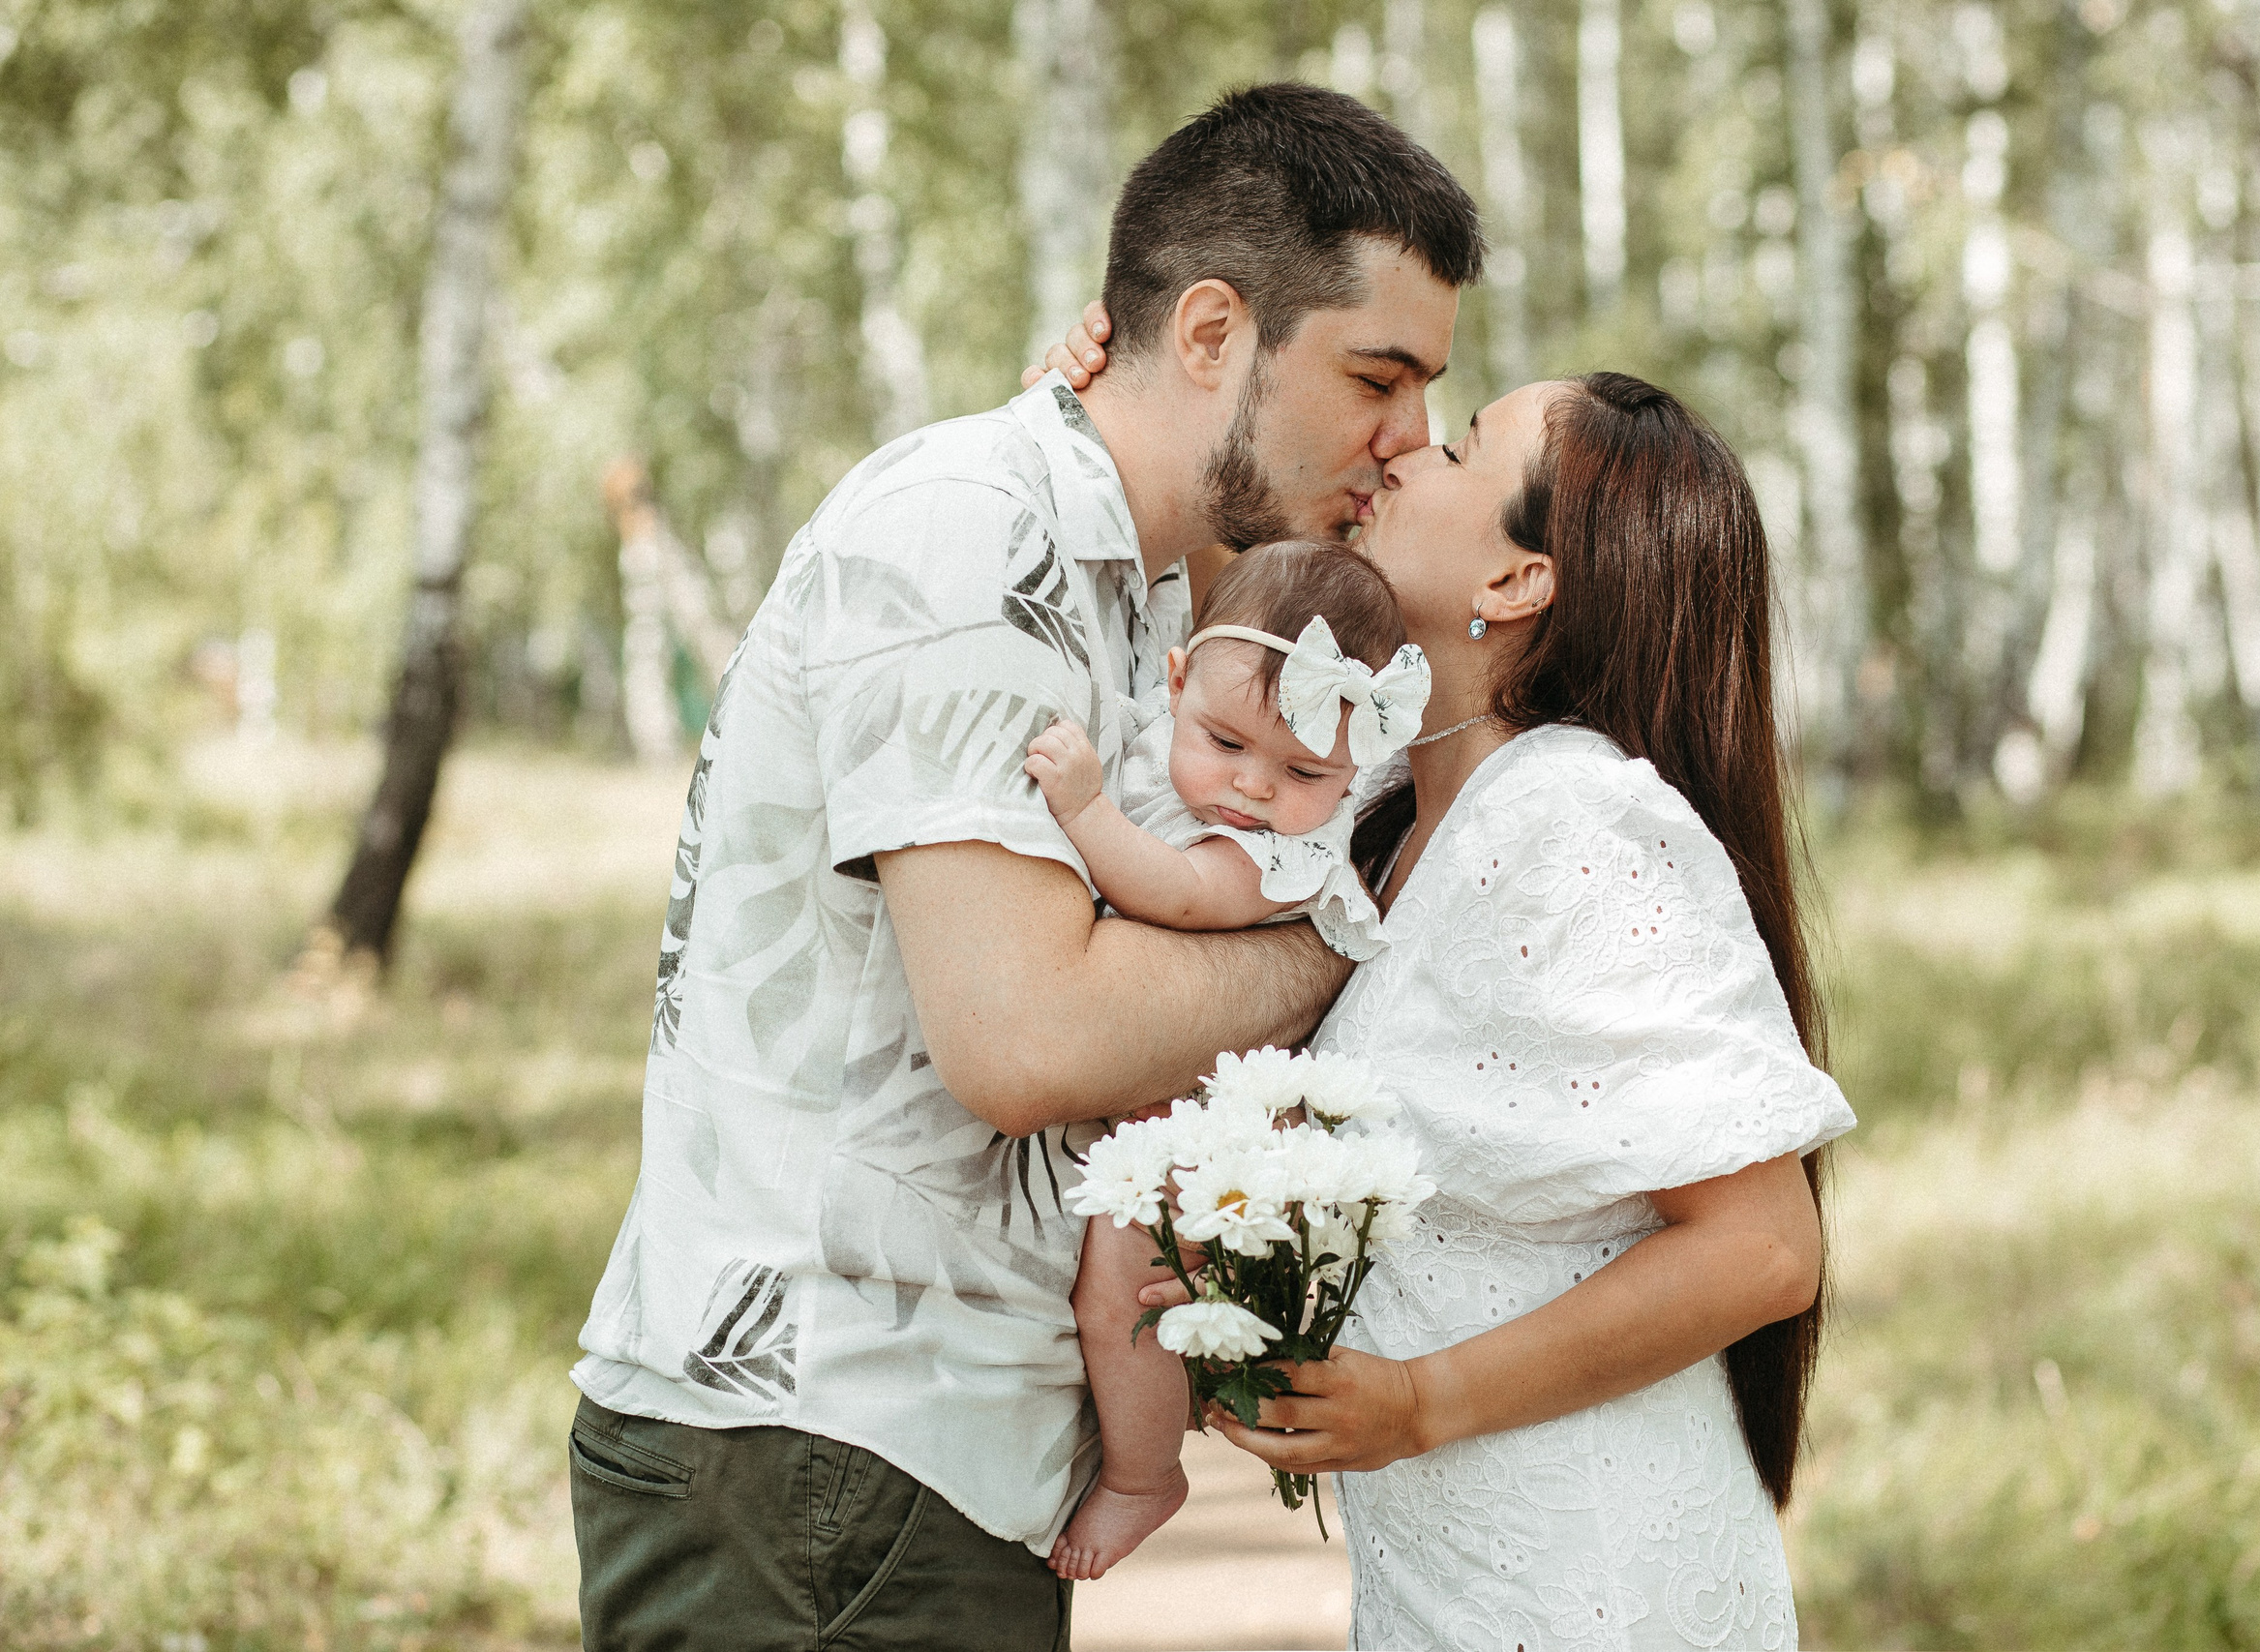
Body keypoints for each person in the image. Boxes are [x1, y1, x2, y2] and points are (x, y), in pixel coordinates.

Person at [565, 86, 1483, 1651]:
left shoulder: (1142, 587)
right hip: (825, 1450)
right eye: (1376, 377)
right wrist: (1346, 928)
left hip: (900, 1470)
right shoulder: (971, 536)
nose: (1407, 437)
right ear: (1212, 332)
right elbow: (1029, 1037)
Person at [1045, 307, 1857, 1647]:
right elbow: (1213, 655)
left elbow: (1764, 1247)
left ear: (1521, 580)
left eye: (1465, 445)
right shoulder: (1372, 798)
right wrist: (1122, 393)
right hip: (1455, 1575)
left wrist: (1422, 1400)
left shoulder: (1576, 824)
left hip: (1590, 1584)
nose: (1407, 447)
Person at [1023, 541, 1427, 1580]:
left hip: (1212, 1113)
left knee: (1118, 1291)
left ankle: (1144, 1473)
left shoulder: (1285, 852)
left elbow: (1179, 893)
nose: (1251, 786)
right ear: (1174, 683)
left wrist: (1083, 811)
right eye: (1224, 742)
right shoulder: (1159, 735)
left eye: (1305, 773)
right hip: (1154, 1075)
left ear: (1354, 773)